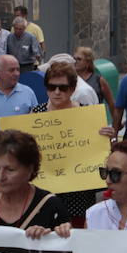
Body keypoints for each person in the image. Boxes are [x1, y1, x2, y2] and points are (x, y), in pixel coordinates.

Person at [30, 60, 105, 224]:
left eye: (63, 87)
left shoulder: (87, 113)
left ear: (72, 89)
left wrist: (106, 138)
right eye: (51, 87)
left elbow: (97, 152)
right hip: (45, 190)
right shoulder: (36, 114)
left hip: (78, 193)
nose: (57, 92)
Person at [74, 46, 116, 115]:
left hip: (94, 118)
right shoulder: (69, 79)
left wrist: (116, 123)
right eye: (74, 58)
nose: (75, 61)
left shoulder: (99, 80)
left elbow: (111, 103)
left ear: (88, 62)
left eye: (79, 59)